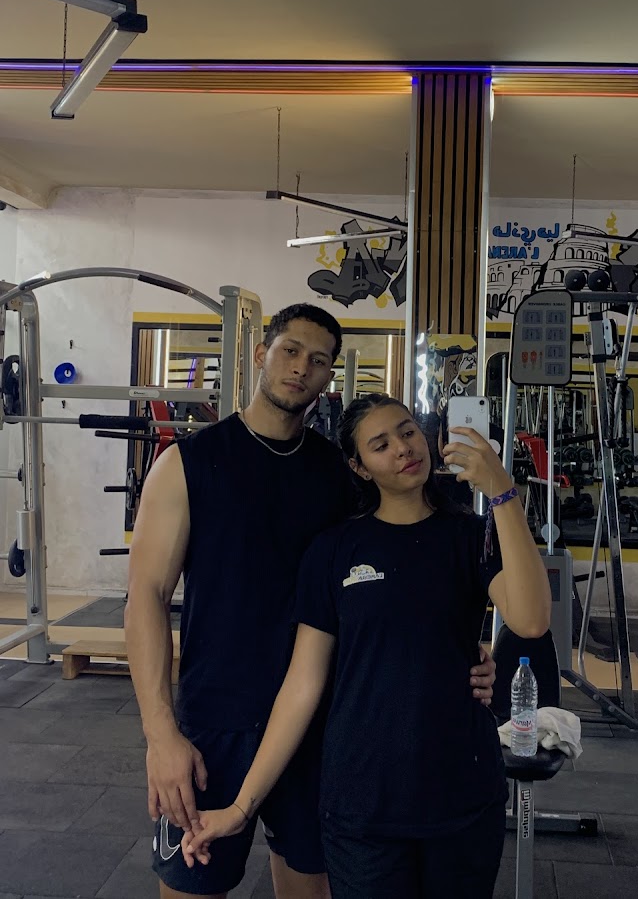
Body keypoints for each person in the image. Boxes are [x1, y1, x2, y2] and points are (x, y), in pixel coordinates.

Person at [124, 303, 497, 899]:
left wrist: (463, 648)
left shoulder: (340, 474)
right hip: (214, 722)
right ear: (261, 354)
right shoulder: (188, 463)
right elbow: (145, 595)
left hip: (321, 724)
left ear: (329, 376)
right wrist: (160, 734)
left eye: (319, 360)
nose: (302, 367)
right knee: (191, 886)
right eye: (291, 351)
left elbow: (400, 570)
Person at [180, 393, 552, 899]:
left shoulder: (469, 536)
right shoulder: (334, 551)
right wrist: (242, 807)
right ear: (358, 467)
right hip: (362, 800)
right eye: (380, 445)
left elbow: (530, 620)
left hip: (460, 789)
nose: (403, 448)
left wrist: (503, 493)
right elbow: (302, 685)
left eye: (407, 431)